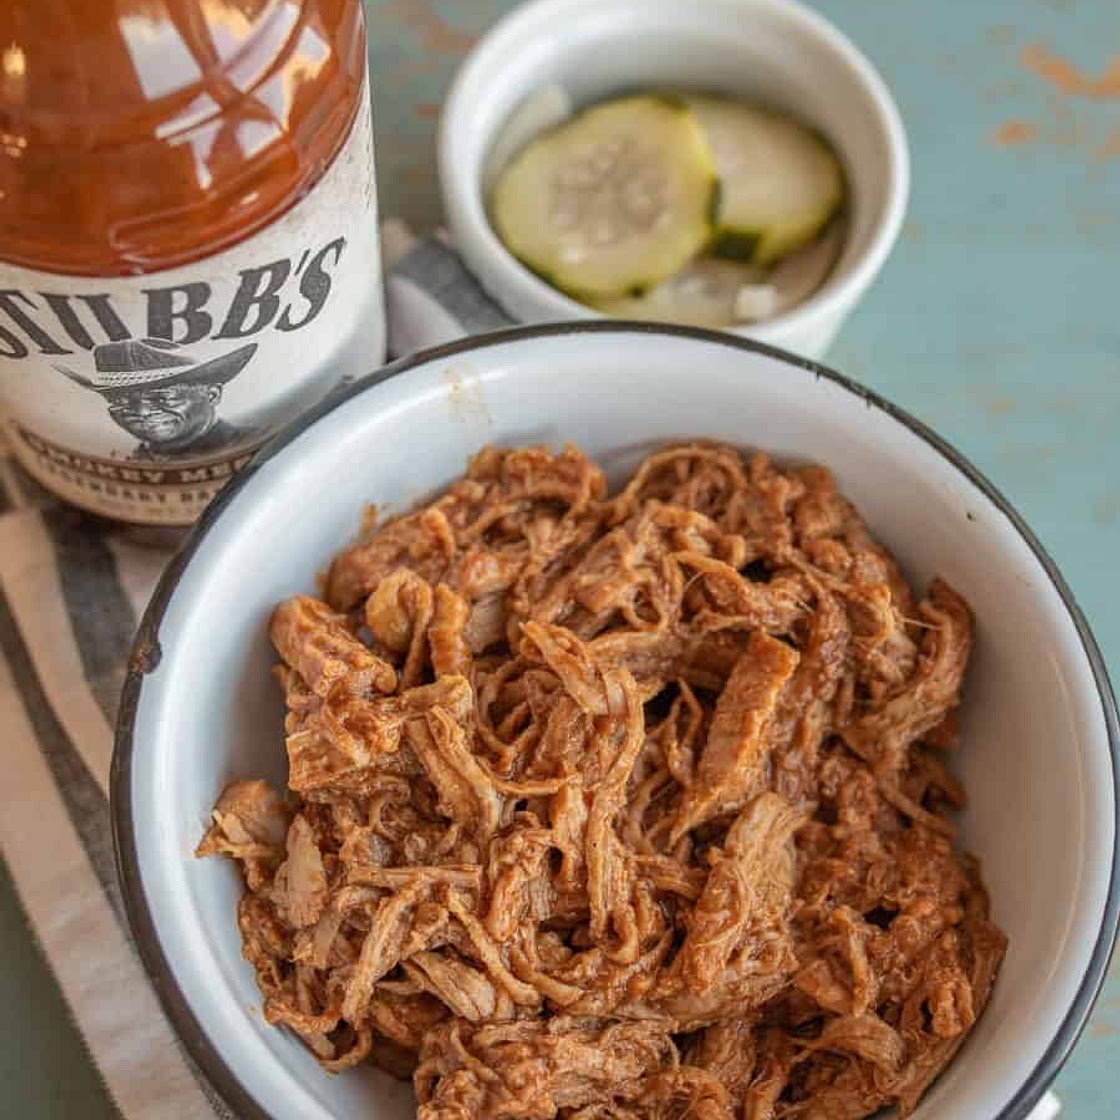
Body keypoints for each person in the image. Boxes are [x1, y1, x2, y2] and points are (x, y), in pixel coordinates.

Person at [54, 337, 257, 459]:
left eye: (163, 398)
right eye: (121, 401)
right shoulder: (133, 458)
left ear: (212, 395)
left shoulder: (252, 445)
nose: (141, 412)